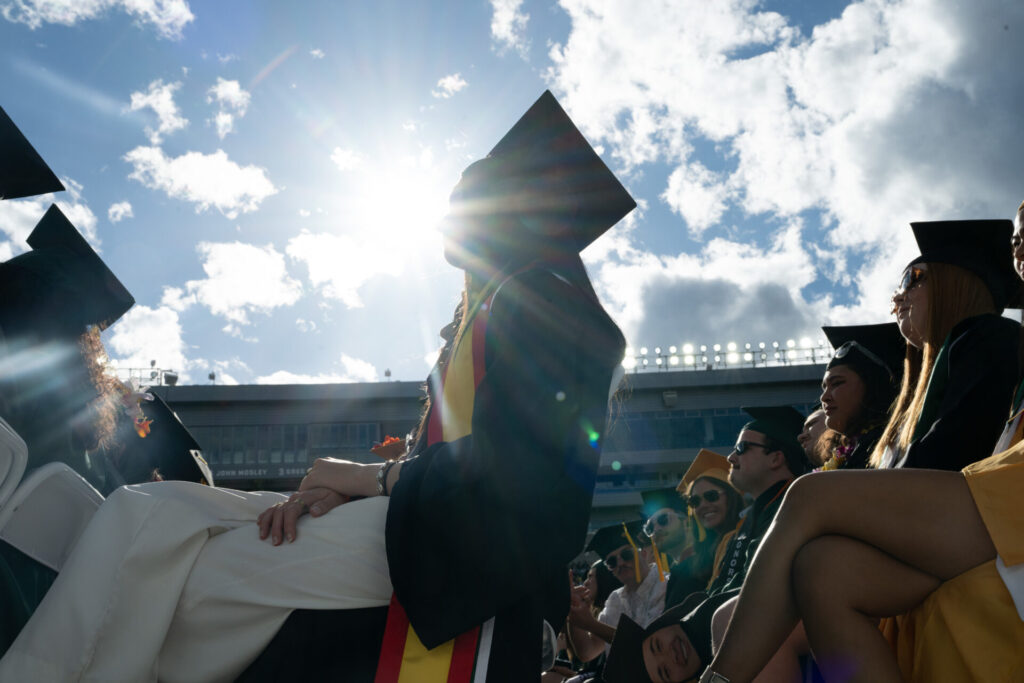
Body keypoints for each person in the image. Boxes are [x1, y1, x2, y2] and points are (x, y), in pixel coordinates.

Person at [0, 90, 632, 682]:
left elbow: (518, 481)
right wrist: (348, 495)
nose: (447, 213)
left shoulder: (545, 302)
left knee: (172, 579)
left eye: (468, 193)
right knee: (149, 513)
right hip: (411, 525)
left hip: (451, 553)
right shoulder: (501, 308)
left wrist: (371, 481)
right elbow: (467, 460)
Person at [700, 445, 1024, 683]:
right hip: (974, 504)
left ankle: (719, 678)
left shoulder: (970, 353)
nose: (826, 394)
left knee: (808, 496)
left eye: (837, 383)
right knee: (820, 568)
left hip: (1005, 488)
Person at [875, 219, 1020, 470]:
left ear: (956, 283)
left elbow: (949, 452)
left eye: (912, 278)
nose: (898, 297)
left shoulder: (991, 337)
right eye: (896, 290)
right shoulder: (927, 381)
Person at [707, 406, 808, 596]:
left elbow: (752, 584)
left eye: (741, 448)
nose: (730, 458)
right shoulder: (754, 516)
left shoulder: (794, 508)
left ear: (776, 459)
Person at [567, 521, 668, 651]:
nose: (620, 563)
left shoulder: (665, 584)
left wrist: (591, 625)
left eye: (627, 555)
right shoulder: (615, 599)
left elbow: (650, 646)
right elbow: (587, 651)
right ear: (610, 570)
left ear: (643, 554)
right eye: (612, 562)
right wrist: (573, 606)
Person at [816, 323, 904, 470]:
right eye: (824, 387)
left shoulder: (888, 447)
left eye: (836, 383)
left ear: (873, 386)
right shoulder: (850, 452)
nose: (824, 397)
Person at [664, 450, 741, 608]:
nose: (703, 505)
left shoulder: (746, 539)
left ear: (732, 495)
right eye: (695, 501)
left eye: (712, 496)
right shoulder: (693, 562)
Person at [640, 487, 692, 568]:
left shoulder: (709, 558)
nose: (656, 530)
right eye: (650, 528)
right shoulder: (675, 572)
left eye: (663, 520)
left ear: (687, 523)